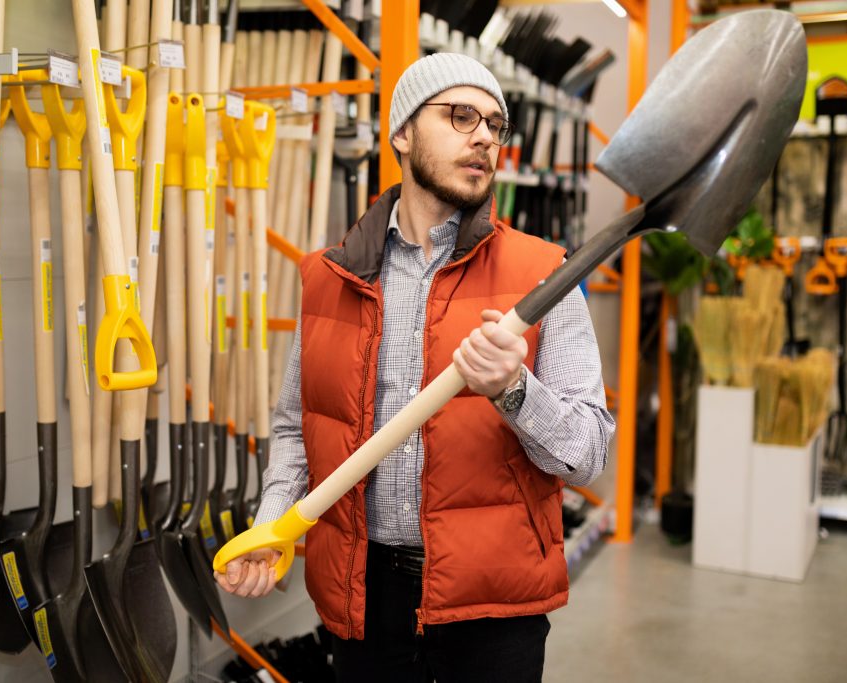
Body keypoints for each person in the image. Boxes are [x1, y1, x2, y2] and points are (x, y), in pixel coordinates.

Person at [215, 52, 615, 682]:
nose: (484, 135)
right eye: (460, 116)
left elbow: (589, 453)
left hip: (491, 606)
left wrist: (515, 392)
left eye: (493, 124)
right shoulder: (330, 276)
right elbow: (299, 428)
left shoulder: (543, 272)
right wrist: (273, 525)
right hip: (362, 599)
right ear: (402, 133)